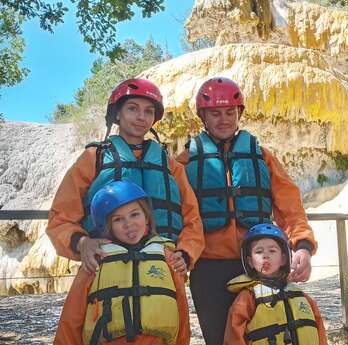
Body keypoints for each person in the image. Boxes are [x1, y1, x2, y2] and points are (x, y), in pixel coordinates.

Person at [175, 77, 318, 344]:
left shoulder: (261, 156)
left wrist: (302, 246)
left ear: (239, 112)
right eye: (215, 113)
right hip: (209, 269)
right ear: (203, 117)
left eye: (230, 112)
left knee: (265, 336)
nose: (224, 119)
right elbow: (172, 216)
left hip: (258, 265)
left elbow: (290, 206)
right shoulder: (184, 163)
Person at [46, 78, 204, 275]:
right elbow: (60, 218)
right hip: (105, 267)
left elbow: (192, 219)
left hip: (163, 268)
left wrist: (186, 252)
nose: (141, 117)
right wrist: (83, 243)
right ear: (117, 114)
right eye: (132, 108)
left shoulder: (170, 165)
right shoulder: (94, 159)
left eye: (149, 111)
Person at [54, 180, 190, 345]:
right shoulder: (97, 259)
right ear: (108, 227)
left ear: (146, 217)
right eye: (118, 219)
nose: (129, 224)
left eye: (135, 214)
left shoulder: (167, 256)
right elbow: (72, 317)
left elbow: (182, 311)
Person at [224, 223, 328, 345]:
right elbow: (234, 334)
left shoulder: (302, 297)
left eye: (272, 251)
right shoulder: (248, 297)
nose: (265, 256)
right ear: (250, 262)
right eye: (258, 251)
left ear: (283, 259)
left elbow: (319, 330)